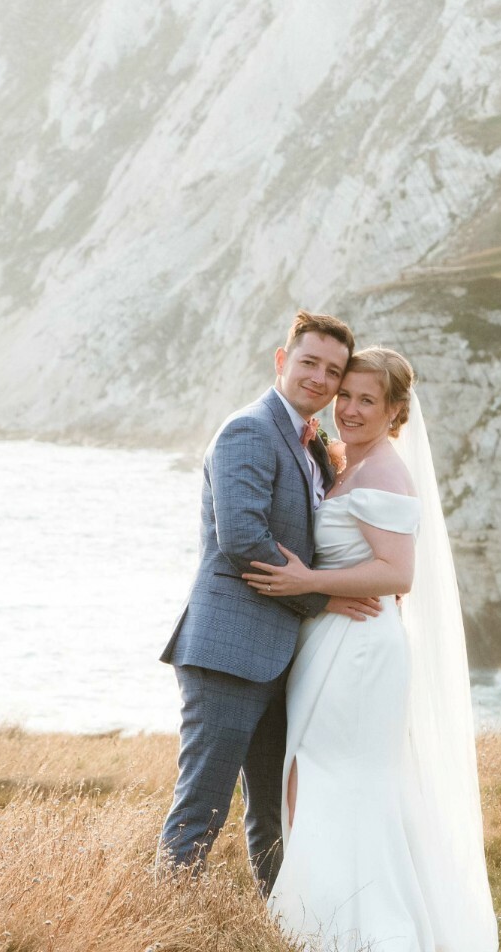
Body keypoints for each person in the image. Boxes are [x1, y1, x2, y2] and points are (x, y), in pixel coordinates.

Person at [243, 347, 499, 952]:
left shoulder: (385, 470)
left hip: (360, 651)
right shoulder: (344, 463)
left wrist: (309, 582)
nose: (350, 409)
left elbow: (397, 574)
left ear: (394, 412)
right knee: (310, 774)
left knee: (336, 778)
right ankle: (320, 922)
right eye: (345, 395)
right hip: (331, 640)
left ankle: (358, 930)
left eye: (367, 400)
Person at [157, 310, 382, 895]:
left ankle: (276, 924)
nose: (320, 378)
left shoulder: (310, 445)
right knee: (203, 805)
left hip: (281, 658)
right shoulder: (250, 430)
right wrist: (323, 596)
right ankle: (161, 919)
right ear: (282, 361)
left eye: (333, 370)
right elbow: (241, 539)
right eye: (309, 362)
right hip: (228, 651)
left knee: (275, 813)